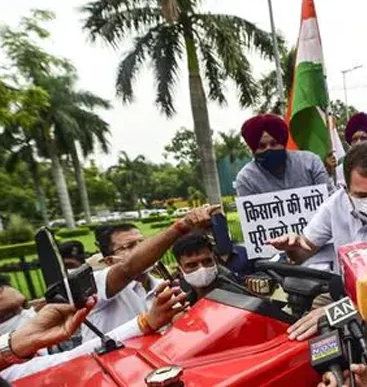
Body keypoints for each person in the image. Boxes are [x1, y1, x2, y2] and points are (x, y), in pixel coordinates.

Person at [268, 142, 367, 376]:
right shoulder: (334, 205)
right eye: (362, 195)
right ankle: (328, 376)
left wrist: (335, 311)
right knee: (303, 331)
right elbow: (303, 251)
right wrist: (293, 248)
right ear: (345, 189)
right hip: (341, 292)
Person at [1, 280, 187, 382]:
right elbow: (68, 359)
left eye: (25, 306)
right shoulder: (8, 373)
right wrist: (143, 323)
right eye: (6, 316)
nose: (27, 316)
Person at [81, 205, 218, 341]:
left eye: (143, 242)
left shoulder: (163, 287)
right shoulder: (95, 286)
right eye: (129, 246)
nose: (142, 249)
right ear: (109, 261)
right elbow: (128, 267)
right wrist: (182, 226)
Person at [236, 114, 329, 197]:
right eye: (262, 146)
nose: (269, 149)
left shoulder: (310, 162)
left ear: (283, 143)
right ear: (253, 150)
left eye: (274, 144)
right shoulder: (246, 179)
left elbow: (329, 198)